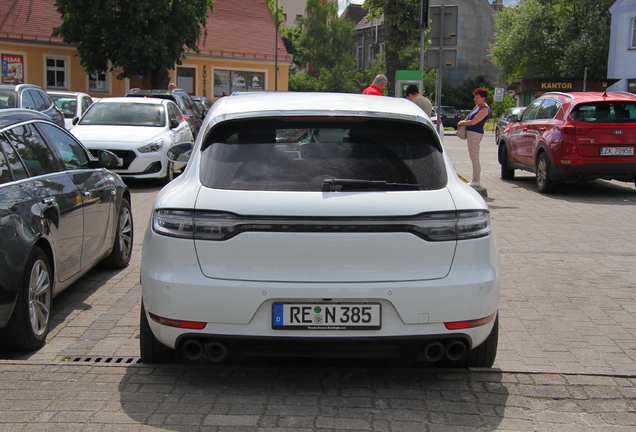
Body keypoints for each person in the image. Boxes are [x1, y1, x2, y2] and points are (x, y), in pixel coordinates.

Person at [457, 88, 491, 188]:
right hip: (471, 132)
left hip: (475, 133)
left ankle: (476, 180)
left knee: (474, 157)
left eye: (477, 97)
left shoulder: (484, 109)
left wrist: (461, 123)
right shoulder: (477, 107)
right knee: (473, 156)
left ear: (483, 98)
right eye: (474, 97)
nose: (474, 99)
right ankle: (475, 180)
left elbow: (473, 122)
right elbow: (469, 117)